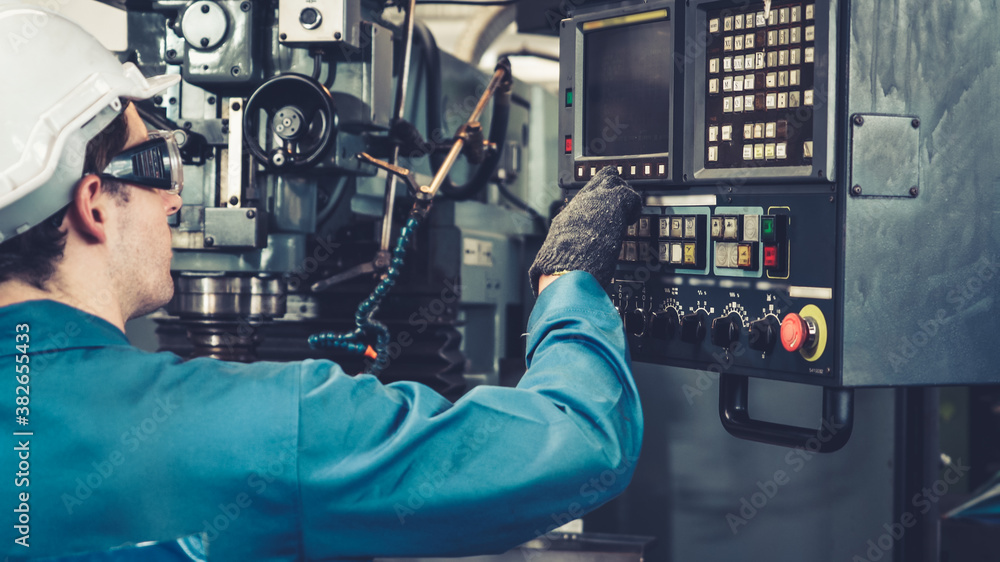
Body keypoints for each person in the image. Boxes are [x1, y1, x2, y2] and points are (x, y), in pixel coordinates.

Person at [0, 5, 643, 560]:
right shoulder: (268, 428)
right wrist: (569, 278)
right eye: (162, 163)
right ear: (92, 203)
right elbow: (580, 442)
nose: (175, 201)